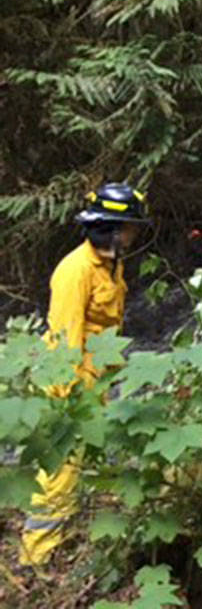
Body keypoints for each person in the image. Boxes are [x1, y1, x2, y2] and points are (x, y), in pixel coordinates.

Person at [19, 183, 151, 568]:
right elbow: (65, 337)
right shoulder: (75, 271)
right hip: (71, 385)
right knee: (60, 472)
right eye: (129, 227)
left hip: (97, 380)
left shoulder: (111, 262)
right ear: (110, 227)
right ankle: (36, 558)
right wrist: (66, 397)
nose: (134, 234)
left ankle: (77, 535)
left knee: (91, 459)